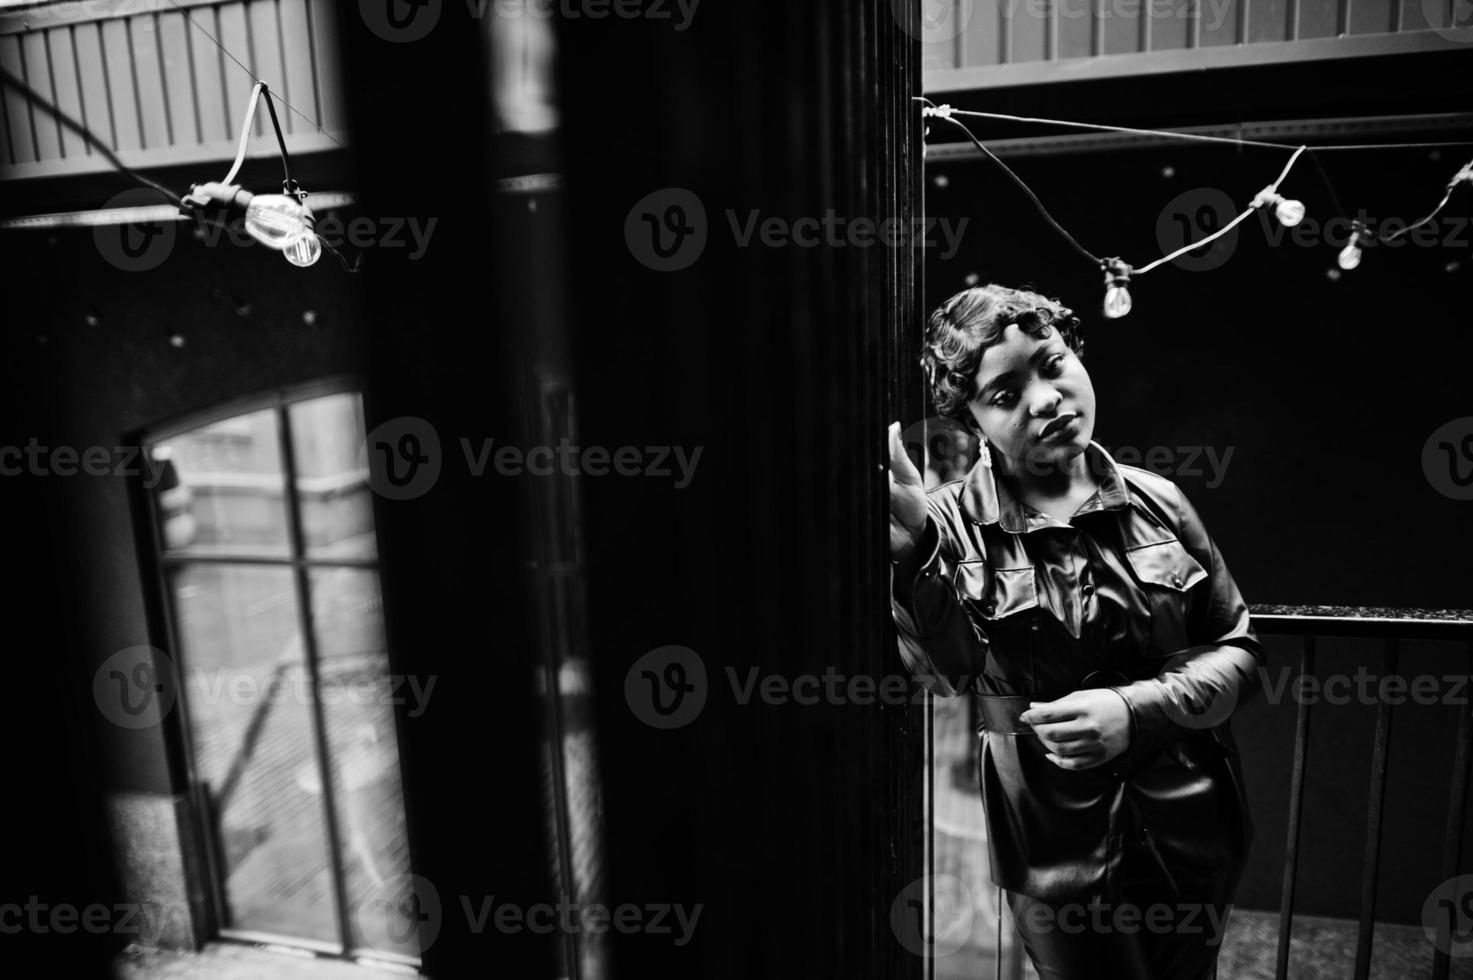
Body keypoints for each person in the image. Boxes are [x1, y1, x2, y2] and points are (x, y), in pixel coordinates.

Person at [887, 283, 1263, 979]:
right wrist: (913, 557)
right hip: (1054, 848)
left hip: (1195, 826)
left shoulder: (1160, 499)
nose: (1045, 399)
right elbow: (941, 673)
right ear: (970, 421)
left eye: (1052, 363)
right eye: (1004, 395)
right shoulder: (940, 526)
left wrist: (1132, 710)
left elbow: (1238, 653)